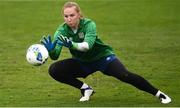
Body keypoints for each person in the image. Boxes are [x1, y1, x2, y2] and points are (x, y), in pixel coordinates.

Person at [41, 1, 171, 104]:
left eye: (72, 15)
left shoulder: (89, 25)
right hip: (83, 63)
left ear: (79, 15)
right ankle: (85, 89)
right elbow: (55, 55)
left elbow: (87, 46)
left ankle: (159, 94)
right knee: (54, 70)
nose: (69, 19)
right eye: (66, 16)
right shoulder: (61, 31)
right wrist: (51, 50)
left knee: (124, 75)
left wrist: (72, 44)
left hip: (102, 58)